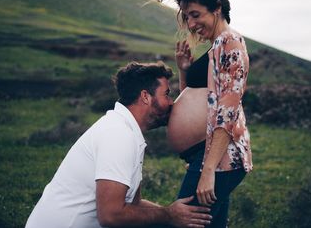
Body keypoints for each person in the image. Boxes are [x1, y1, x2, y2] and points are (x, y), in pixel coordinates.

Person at [25, 61, 212, 228]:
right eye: (166, 94)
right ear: (146, 96)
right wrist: (168, 215)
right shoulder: (118, 135)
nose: (171, 103)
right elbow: (110, 216)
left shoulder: (126, 130)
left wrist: (172, 214)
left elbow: (134, 205)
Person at [161, 0, 253, 227]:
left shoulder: (230, 43)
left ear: (217, 8)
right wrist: (184, 70)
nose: (190, 24)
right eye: (187, 16)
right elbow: (198, 103)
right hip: (208, 154)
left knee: (182, 220)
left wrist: (208, 170)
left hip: (219, 158)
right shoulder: (216, 47)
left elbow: (228, 111)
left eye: (195, 14)